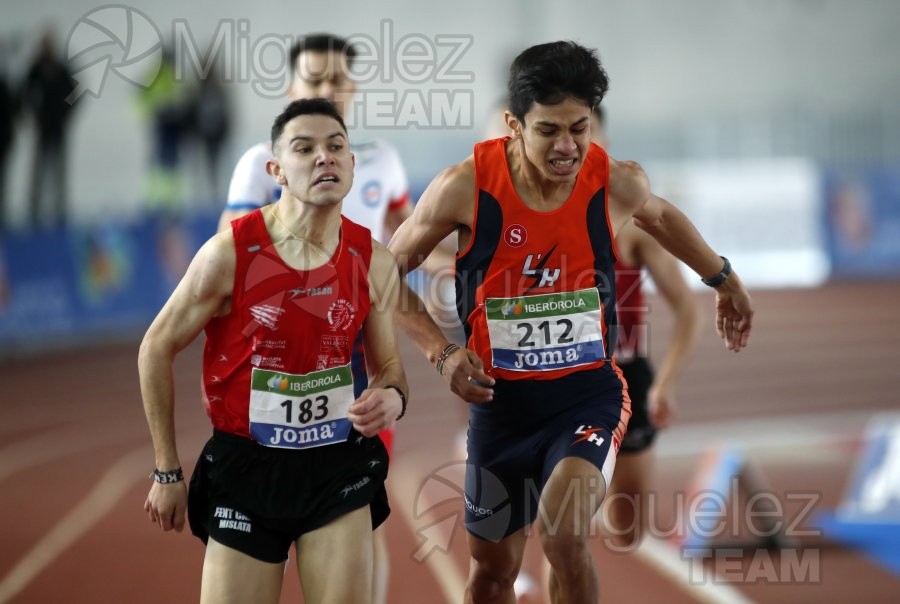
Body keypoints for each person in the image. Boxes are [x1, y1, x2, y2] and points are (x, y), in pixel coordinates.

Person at [387, 41, 753, 603]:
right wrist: (442, 353)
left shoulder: (614, 181)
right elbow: (382, 275)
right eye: (548, 130)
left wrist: (723, 279)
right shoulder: (465, 185)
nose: (566, 146)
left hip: (587, 398)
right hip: (499, 409)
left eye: (579, 128)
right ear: (513, 125)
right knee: (490, 575)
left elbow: (661, 217)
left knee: (562, 533)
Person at [139, 98, 408, 604]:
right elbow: (155, 346)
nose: (324, 158)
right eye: (304, 149)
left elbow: (390, 368)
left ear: (353, 164)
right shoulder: (229, 254)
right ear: (276, 169)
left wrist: (393, 397)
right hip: (246, 469)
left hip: (337, 464)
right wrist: (167, 470)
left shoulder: (371, 260)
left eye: (336, 147)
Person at [218, 34, 442, 603]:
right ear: (292, 89)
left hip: (356, 368)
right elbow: (227, 261)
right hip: (275, 376)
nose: (329, 89)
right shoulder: (257, 166)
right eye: (315, 80)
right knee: (273, 523)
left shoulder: (383, 160)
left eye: (338, 79)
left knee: (361, 520)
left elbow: (407, 245)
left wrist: (474, 260)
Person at [22, 29, 76, 227]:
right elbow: (26, 94)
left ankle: (59, 212)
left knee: (58, 173)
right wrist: (34, 116)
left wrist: (65, 114)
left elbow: (75, 92)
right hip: (43, 129)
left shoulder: (60, 68)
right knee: (39, 173)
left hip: (58, 128)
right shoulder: (36, 68)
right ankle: (34, 213)